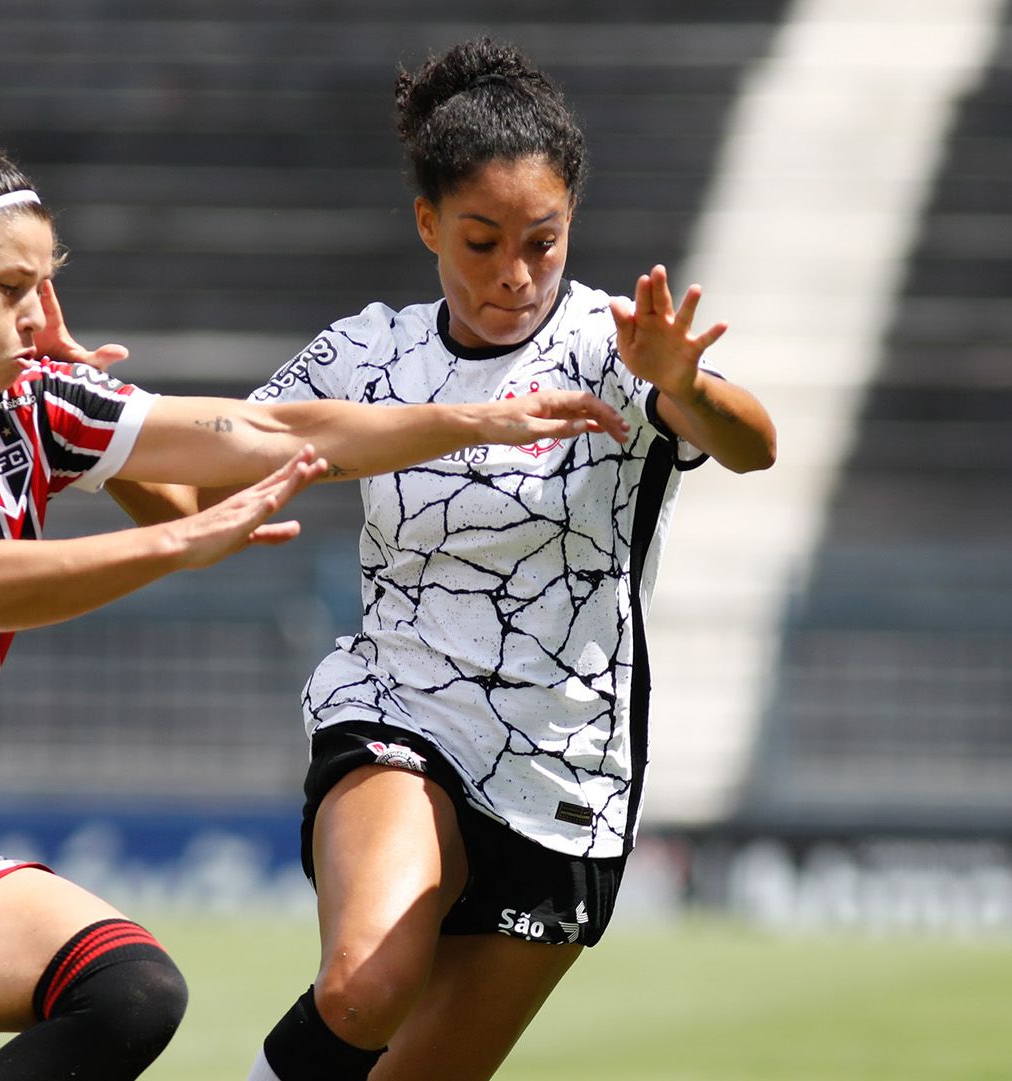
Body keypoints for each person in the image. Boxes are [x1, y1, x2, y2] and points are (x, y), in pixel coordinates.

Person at [0, 88, 632, 1081]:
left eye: (50, 284)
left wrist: (481, 417)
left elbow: (267, 435)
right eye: (13, 288)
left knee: (130, 991)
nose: (43, 313)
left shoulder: (37, 405)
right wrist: (176, 549)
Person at [218, 38, 779, 1081]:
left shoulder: (622, 347)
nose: (513, 275)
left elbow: (753, 443)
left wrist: (686, 387)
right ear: (428, 222)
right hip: (400, 712)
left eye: (542, 242)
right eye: (481, 241)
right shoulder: (366, 353)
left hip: (566, 771)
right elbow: (205, 456)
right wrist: (101, 431)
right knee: (362, 987)